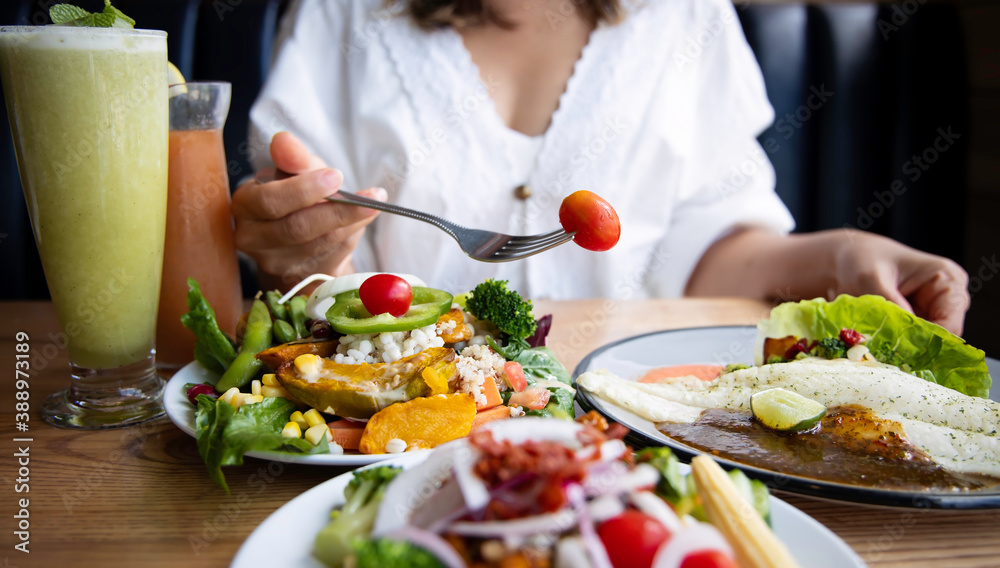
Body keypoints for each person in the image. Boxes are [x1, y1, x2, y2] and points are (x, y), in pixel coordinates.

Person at [233, 0, 971, 335]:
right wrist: (298, 243)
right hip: (400, 431)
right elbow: (321, 270)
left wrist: (844, 256)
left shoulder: (682, 18)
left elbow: (712, 256)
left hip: (634, 428)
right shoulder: (345, 16)